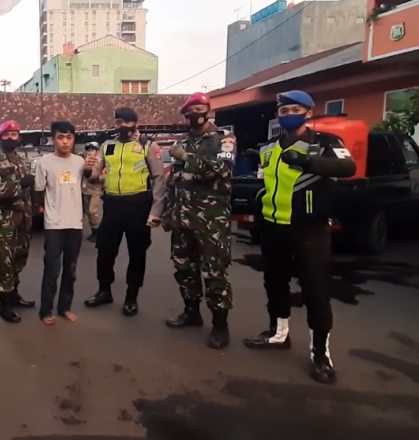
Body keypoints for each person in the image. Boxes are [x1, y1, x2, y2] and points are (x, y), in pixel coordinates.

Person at [243, 90, 356, 384]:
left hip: (310, 229)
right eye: (284, 111)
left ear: (308, 112)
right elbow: (267, 183)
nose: (289, 115)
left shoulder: (325, 143)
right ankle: (278, 333)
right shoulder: (269, 147)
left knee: (315, 290)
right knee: (275, 283)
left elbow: (348, 167)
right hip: (274, 227)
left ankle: (320, 354)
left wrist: (307, 162)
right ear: (277, 115)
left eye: (295, 110)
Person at [162, 92, 236, 350]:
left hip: (211, 222)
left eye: (200, 108)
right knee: (184, 269)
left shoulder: (224, 139)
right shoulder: (182, 141)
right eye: (191, 110)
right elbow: (175, 180)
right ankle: (191, 312)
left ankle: (220, 325)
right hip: (182, 219)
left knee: (214, 273)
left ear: (209, 111)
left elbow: (221, 170)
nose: (196, 114)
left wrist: (185, 157)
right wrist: (168, 213)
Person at [83, 107, 166, 317]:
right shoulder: (107, 146)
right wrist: (88, 169)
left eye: (125, 122)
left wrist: (156, 210)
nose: (121, 126)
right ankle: (104, 291)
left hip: (138, 206)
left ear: (135, 123)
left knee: (137, 253)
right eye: (118, 122)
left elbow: (159, 179)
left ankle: (131, 297)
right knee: (104, 251)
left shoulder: (148, 145)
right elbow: (94, 176)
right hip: (112, 206)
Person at [0, 120, 36, 323]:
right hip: (3, 221)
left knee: (18, 259)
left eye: (14, 135)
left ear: (19, 137)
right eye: (7, 135)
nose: (11, 138)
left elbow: (29, 192)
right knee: (4, 262)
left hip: (23, 219)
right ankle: (4, 305)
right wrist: (18, 185)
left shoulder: (22, 161)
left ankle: (14, 295)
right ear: (0, 138)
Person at [34, 121, 85, 325]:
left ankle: (65, 308)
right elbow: (39, 191)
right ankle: (45, 310)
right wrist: (45, 212)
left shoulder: (80, 162)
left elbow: (87, 184)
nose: (65, 142)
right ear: (53, 139)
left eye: (69, 137)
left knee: (70, 269)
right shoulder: (44, 162)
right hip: (54, 224)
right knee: (52, 270)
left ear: (74, 139)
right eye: (60, 137)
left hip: (75, 223)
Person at [81, 141, 104, 243]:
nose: (90, 152)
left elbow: (106, 175)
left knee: (93, 211)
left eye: (92, 150)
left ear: (97, 151)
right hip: (86, 190)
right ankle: (93, 232)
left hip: (96, 190)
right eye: (88, 150)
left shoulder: (100, 161)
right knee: (88, 212)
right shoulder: (84, 161)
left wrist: (97, 178)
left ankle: (98, 232)